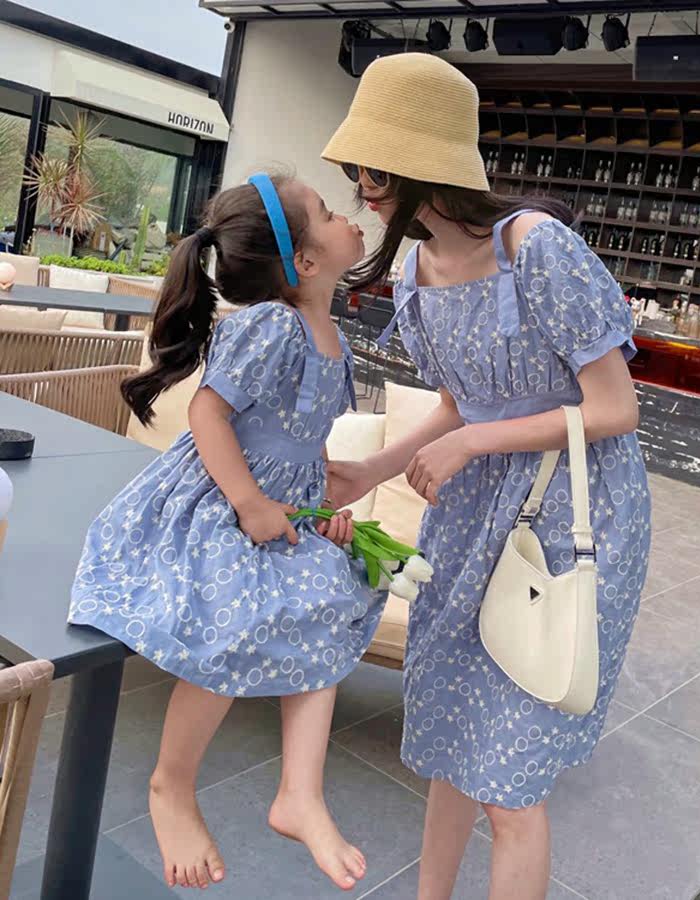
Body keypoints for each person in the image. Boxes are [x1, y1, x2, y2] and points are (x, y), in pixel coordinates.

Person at [322, 54, 651, 900]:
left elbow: (615, 407)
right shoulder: (416, 272)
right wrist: (371, 471)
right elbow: (457, 403)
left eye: (372, 170)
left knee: (511, 784)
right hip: (472, 519)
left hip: (568, 517)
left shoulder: (535, 247)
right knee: (453, 743)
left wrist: (474, 443)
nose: (361, 189)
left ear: (418, 166)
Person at [69, 173, 383, 892]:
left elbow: (301, 436)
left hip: (279, 510)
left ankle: (300, 792)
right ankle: (171, 784)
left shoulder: (332, 337)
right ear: (305, 260)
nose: (350, 217)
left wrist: (318, 505)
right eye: (329, 212)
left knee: (330, 603)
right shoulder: (272, 324)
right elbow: (209, 413)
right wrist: (248, 502)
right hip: (216, 503)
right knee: (234, 619)